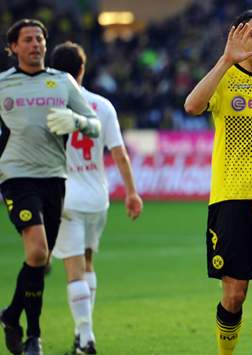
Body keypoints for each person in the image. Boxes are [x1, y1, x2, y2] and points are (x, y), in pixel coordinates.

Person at [184, 10, 252, 355]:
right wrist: (224, 61)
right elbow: (192, 106)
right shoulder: (224, 79)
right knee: (235, 294)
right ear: (237, 39)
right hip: (231, 198)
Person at [0, 19, 100, 355]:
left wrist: (78, 122)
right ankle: (34, 337)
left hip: (54, 178)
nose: (35, 45)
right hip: (15, 176)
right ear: (13, 47)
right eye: (27, 40)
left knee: (38, 260)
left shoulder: (62, 82)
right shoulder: (3, 85)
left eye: (40, 39)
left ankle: (12, 315)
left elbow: (94, 126)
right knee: (39, 251)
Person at [49, 41, 143, 354]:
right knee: (88, 264)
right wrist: (131, 192)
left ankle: (86, 337)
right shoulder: (102, 105)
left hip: (66, 198)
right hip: (97, 198)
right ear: (82, 69)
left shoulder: (49, 107)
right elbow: (120, 154)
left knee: (73, 268)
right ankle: (82, 337)